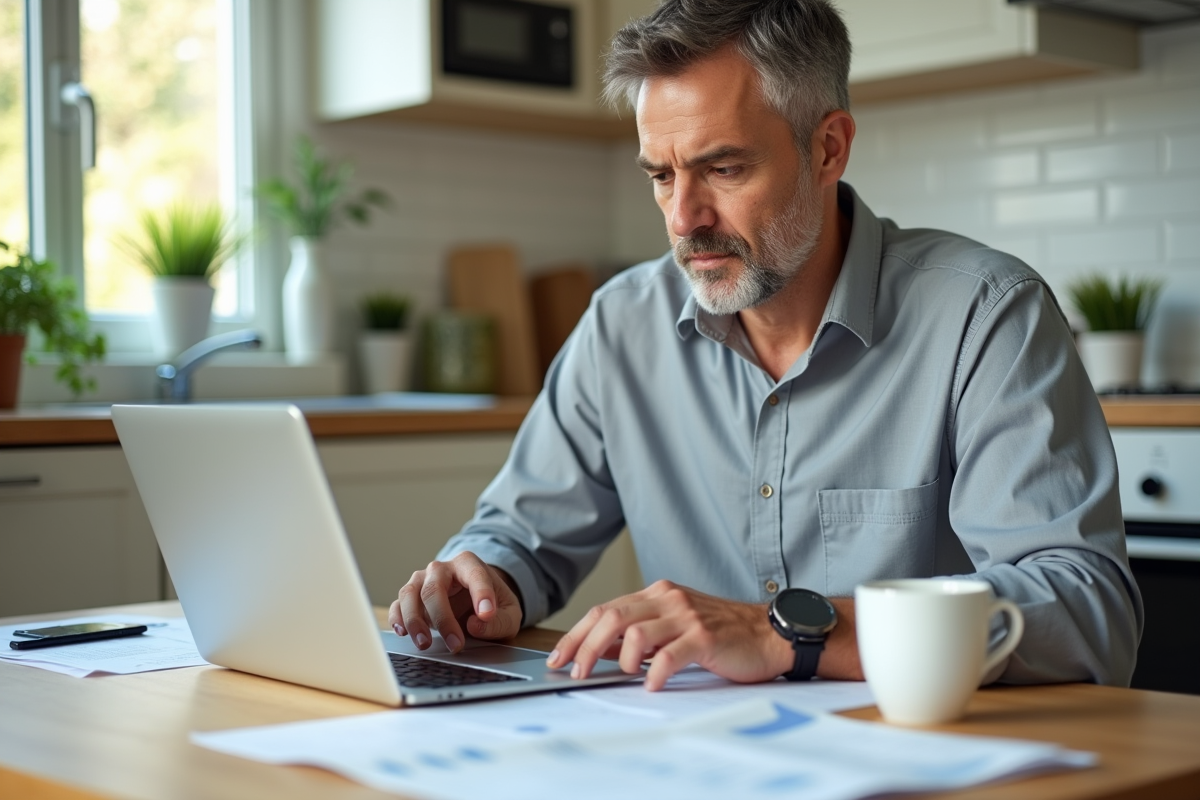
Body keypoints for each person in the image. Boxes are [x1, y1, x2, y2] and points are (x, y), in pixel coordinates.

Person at [388, 0, 1142, 691]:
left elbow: (1086, 612)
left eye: (723, 168)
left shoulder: (984, 314)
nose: (683, 218)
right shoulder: (622, 324)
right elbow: (521, 536)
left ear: (828, 149)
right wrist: (482, 582)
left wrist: (785, 632)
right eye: (661, 176)